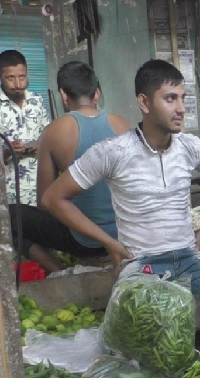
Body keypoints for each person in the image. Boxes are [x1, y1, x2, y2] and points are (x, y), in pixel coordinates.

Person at [43, 59, 200, 295]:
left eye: (183, 98)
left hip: (189, 259)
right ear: (144, 102)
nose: (181, 108)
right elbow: (53, 198)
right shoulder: (114, 152)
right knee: (145, 319)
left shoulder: (190, 147)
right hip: (141, 264)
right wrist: (109, 243)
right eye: (170, 98)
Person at [9, 61, 130, 273]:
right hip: (124, 235)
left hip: (83, 241)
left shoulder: (53, 132)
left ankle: (60, 271)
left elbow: (44, 202)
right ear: (97, 94)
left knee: (10, 217)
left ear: (64, 96)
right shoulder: (123, 125)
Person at [0, 49, 51, 206]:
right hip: (9, 193)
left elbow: (48, 134)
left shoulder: (37, 100)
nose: (18, 84)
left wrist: (40, 145)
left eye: (22, 77)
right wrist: (8, 151)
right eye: (10, 78)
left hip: (41, 189)